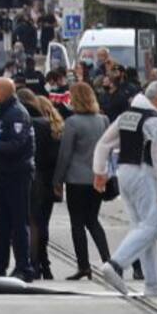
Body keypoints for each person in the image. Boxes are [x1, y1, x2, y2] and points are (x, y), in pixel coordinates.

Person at [93, 81, 157, 298]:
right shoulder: (156, 121)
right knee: (151, 227)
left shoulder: (126, 116)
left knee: (141, 227)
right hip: (144, 173)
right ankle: (116, 264)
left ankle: (154, 283)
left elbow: (104, 143)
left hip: (124, 173)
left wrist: (99, 171)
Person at [53, 83, 110, 280]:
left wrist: (57, 180)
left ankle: (84, 265)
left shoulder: (72, 122)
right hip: (97, 177)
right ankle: (108, 261)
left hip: (76, 180)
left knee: (77, 223)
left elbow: (65, 154)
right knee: (93, 220)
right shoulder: (103, 120)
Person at [0, 77, 35, 281]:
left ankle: (24, 267)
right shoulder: (1, 110)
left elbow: (17, 144)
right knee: (1, 222)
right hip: (3, 174)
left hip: (18, 174)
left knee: (18, 221)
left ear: (5, 91)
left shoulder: (16, 114)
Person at [18, 88, 63, 280]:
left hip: (32, 177)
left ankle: (34, 263)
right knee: (41, 223)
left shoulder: (30, 124)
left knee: (31, 223)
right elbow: (56, 156)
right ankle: (43, 264)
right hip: (47, 179)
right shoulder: (49, 126)